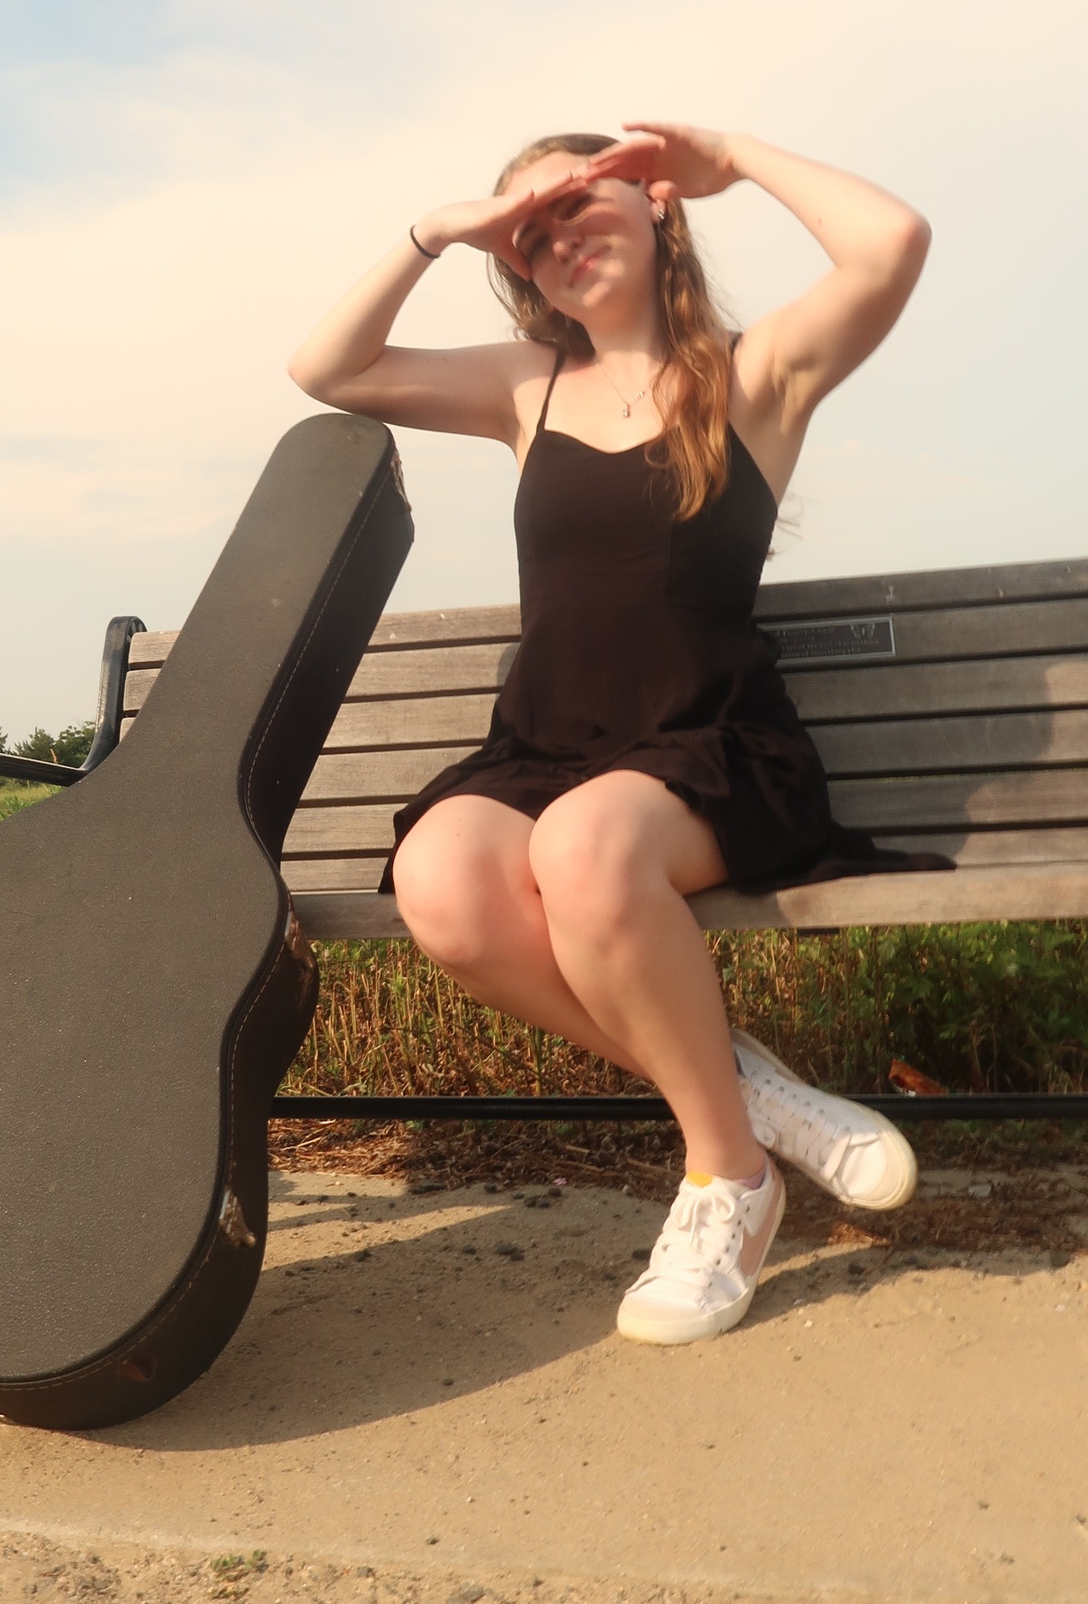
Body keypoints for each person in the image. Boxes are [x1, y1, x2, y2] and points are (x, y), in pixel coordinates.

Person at [287, 122, 939, 1347]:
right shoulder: (522, 385)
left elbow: (890, 241)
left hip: (709, 747)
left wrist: (731, 157)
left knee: (584, 851)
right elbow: (327, 366)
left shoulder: (756, 373)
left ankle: (727, 1178)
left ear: (657, 211)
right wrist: (444, 231)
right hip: (547, 749)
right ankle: (744, 1089)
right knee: (441, 883)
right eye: (529, 234)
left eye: (583, 203)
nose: (554, 235)